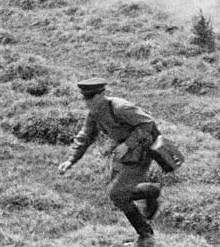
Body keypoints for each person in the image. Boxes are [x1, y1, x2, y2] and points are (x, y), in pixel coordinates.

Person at [57, 78, 162, 247]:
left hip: (140, 149)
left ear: (102, 94)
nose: (88, 102)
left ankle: (146, 235)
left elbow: (147, 123)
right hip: (123, 150)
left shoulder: (120, 107)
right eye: (85, 98)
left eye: (91, 98)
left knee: (117, 194)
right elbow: (86, 135)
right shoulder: (94, 113)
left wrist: (128, 145)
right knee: (116, 190)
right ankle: (151, 190)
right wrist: (71, 160)